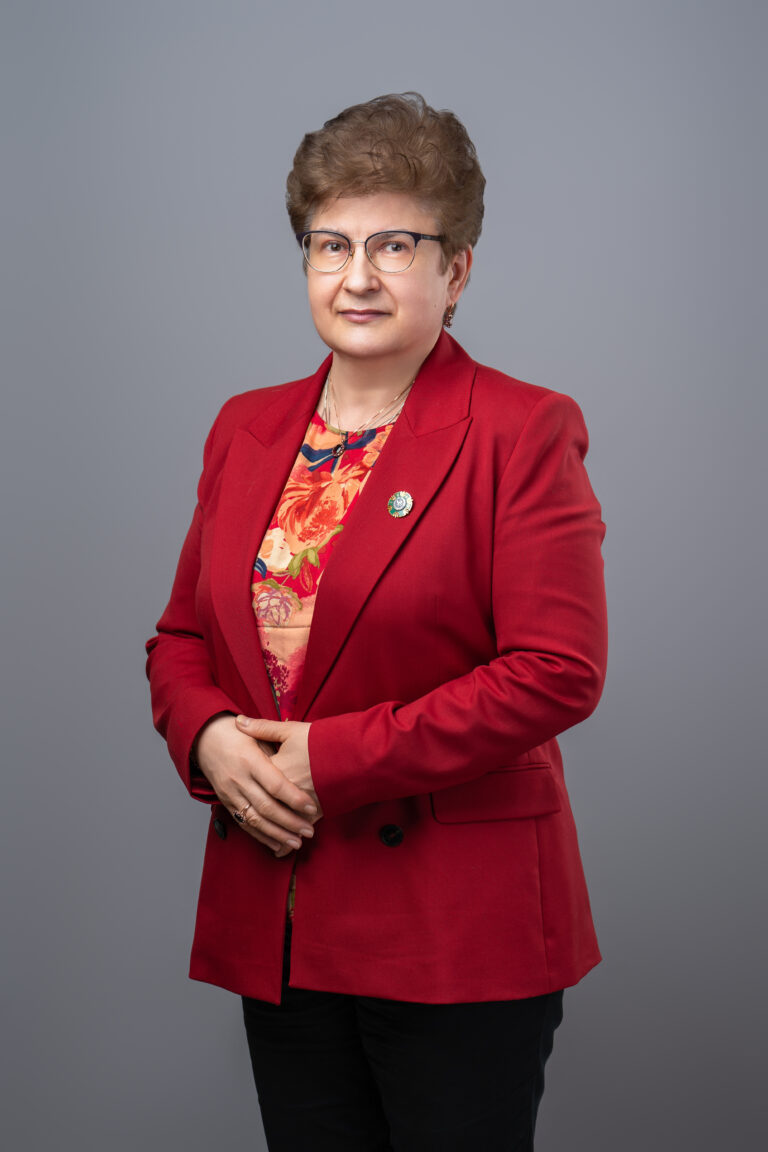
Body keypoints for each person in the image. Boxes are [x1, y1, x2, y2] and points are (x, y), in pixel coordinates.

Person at [146, 92, 607, 1152]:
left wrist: (332, 761)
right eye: (331, 244)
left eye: (395, 244)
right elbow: (180, 640)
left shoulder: (523, 429)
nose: (357, 276)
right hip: (283, 910)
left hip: (452, 924)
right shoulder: (246, 426)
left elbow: (557, 669)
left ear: (458, 270)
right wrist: (209, 739)